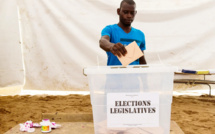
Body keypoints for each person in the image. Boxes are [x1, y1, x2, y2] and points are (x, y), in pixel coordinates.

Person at [99, 0, 147, 66]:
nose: (129, 16)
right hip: (114, 75)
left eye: (132, 13)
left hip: (134, 76)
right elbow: (103, 41)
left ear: (135, 13)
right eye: (125, 12)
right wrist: (112, 46)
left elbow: (142, 61)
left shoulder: (140, 34)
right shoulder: (110, 29)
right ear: (118, 11)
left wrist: (145, 75)